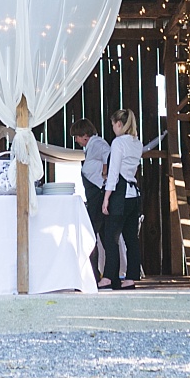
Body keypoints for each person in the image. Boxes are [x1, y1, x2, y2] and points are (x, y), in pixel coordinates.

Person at [100, 108, 144, 289]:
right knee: (131, 238)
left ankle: (110, 276)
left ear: (119, 124)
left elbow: (113, 173)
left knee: (111, 237)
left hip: (120, 194)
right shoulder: (137, 143)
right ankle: (131, 277)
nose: (113, 128)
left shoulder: (118, 143)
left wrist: (106, 198)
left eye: (113, 125)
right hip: (134, 195)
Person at [71, 118, 109, 282]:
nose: (76, 140)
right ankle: (96, 273)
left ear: (84, 135)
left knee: (91, 234)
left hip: (97, 194)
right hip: (94, 194)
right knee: (97, 235)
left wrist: (105, 172)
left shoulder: (98, 144)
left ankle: (94, 274)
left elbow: (109, 156)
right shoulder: (90, 147)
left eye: (77, 137)